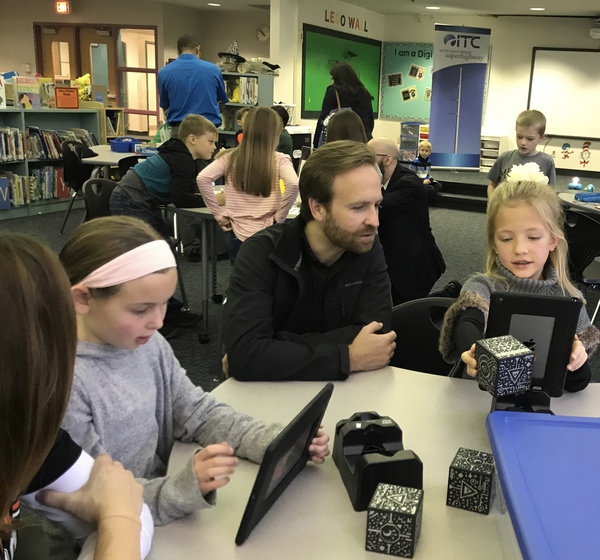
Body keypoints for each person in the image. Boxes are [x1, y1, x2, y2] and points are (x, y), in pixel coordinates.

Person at [59, 216, 330, 527]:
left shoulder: (147, 342)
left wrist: (275, 443)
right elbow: (91, 502)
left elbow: (196, 412)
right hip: (106, 533)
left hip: (153, 511)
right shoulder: (64, 386)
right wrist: (180, 489)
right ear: (82, 298)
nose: (158, 322)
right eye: (141, 309)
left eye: (164, 305)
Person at [0, 232, 150, 560]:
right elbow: (127, 513)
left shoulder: (22, 426)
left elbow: (135, 510)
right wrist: (118, 522)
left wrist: (118, 517)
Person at [223, 140, 396, 381]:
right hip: (267, 401)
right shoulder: (261, 254)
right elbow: (246, 356)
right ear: (317, 208)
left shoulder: (366, 245)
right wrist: (348, 356)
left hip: (346, 396)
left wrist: (272, 346)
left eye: (376, 205)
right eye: (358, 207)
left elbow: (378, 336)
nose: (374, 221)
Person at [439, 176, 600, 390]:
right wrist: (474, 350)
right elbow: (469, 325)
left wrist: (576, 360)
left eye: (533, 237)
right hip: (479, 398)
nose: (520, 249)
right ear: (494, 244)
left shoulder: (569, 300)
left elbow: (577, 383)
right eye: (506, 239)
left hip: (538, 408)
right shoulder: (483, 286)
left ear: (553, 240)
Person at [197, 107, 299, 263]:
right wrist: (279, 217)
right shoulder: (279, 159)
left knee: (240, 282)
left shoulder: (229, 158)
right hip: (268, 234)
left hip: (236, 233)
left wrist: (218, 214)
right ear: (274, 135)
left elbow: (202, 178)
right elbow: (292, 184)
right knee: (268, 282)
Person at [369, 137, 446, 305]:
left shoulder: (408, 184)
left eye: (370, 157)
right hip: (399, 259)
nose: (366, 162)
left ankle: (447, 296)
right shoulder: (387, 181)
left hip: (417, 267)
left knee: (404, 314)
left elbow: (377, 205)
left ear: (387, 159)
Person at [158, 35, 228, 138]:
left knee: (178, 154)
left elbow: (165, 107)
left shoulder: (164, 72)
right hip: (207, 131)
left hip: (179, 132)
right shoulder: (214, 70)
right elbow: (222, 104)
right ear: (197, 49)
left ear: (178, 53)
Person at [487, 109, 556, 198]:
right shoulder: (505, 157)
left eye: (530, 139)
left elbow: (551, 193)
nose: (523, 142)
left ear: (542, 137)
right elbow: (492, 185)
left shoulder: (547, 161)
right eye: (519, 137)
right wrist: (493, 203)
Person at [313, 62, 374, 148]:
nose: (332, 82)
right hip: (362, 140)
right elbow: (370, 122)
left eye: (332, 79)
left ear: (337, 79)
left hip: (339, 142)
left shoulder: (333, 91)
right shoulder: (364, 93)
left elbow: (323, 119)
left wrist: (316, 143)